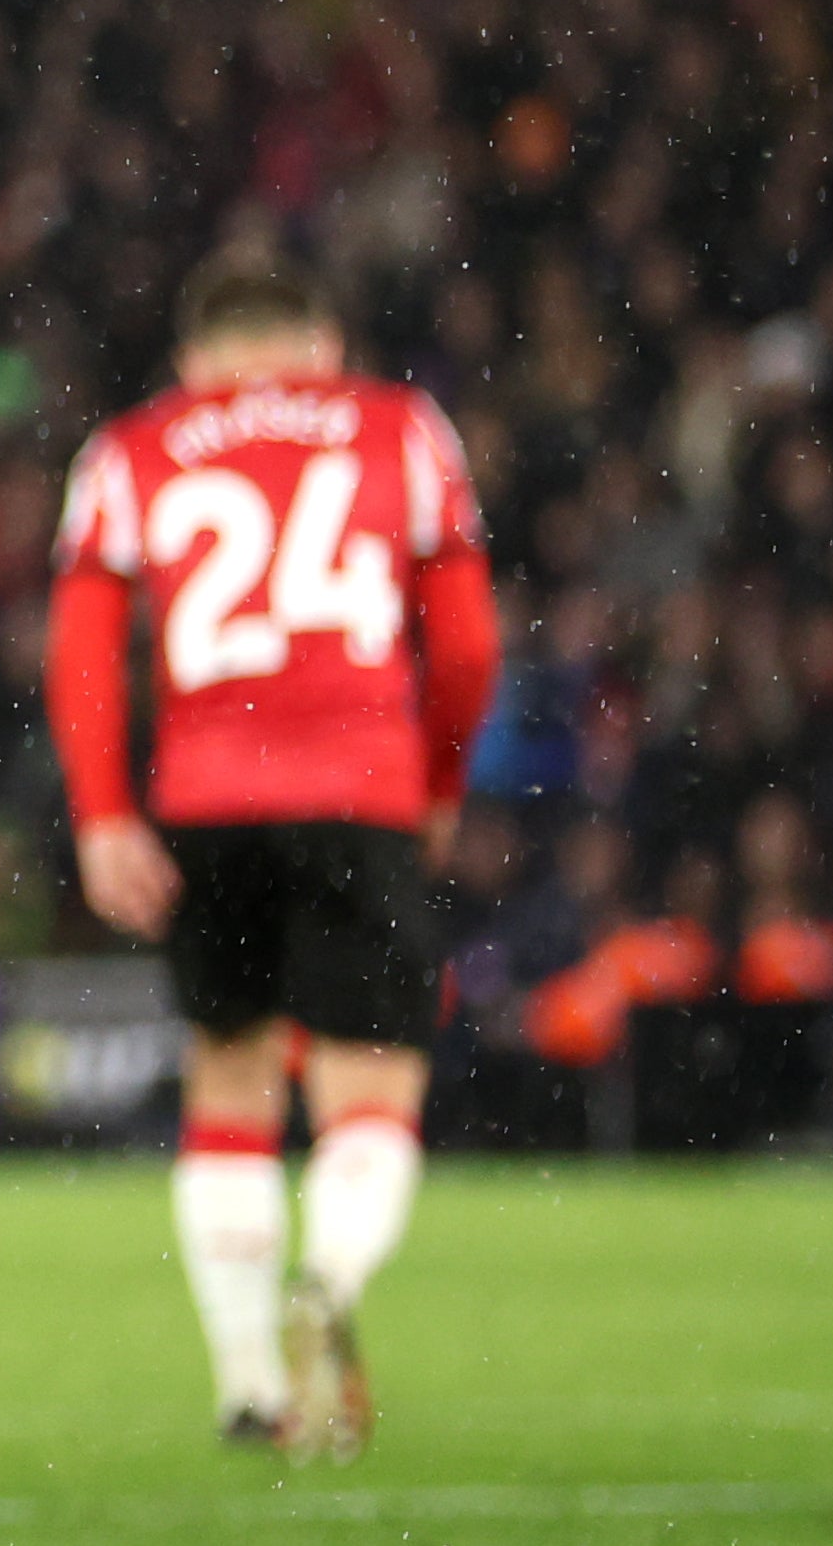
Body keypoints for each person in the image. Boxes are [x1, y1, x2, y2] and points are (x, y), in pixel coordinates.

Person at [50, 250, 498, 1460]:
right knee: (367, 1090)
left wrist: (101, 811)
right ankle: (332, 1274)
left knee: (229, 1083)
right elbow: (461, 643)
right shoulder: (397, 429)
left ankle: (248, 1378)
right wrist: (439, 778)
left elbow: (84, 648)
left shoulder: (132, 448)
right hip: (356, 791)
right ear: (323, 343)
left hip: (202, 795)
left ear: (195, 360)